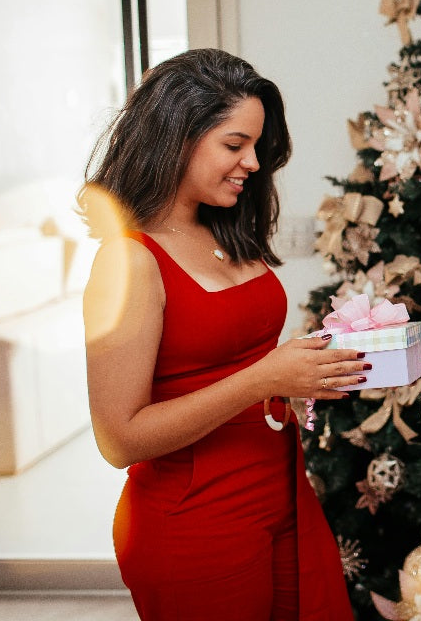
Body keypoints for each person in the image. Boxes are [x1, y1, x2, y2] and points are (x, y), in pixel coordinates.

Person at [79, 48, 361, 620]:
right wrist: (264, 378)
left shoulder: (223, 229)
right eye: (235, 145)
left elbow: (240, 363)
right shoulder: (129, 262)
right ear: (178, 138)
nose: (253, 163)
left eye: (255, 146)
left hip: (281, 496)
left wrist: (302, 378)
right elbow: (118, 439)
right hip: (196, 523)